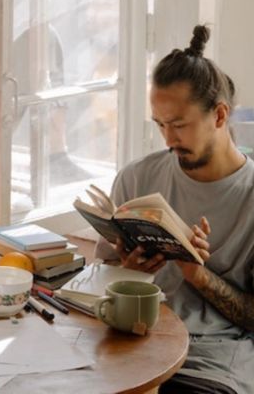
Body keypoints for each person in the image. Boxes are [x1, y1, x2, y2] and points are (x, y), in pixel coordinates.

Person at [94, 25, 254, 394]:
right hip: (130, 343)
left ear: (219, 116)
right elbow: (101, 280)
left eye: (179, 125)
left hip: (209, 362)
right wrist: (127, 270)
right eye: (160, 125)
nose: (168, 139)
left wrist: (198, 277)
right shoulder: (137, 177)